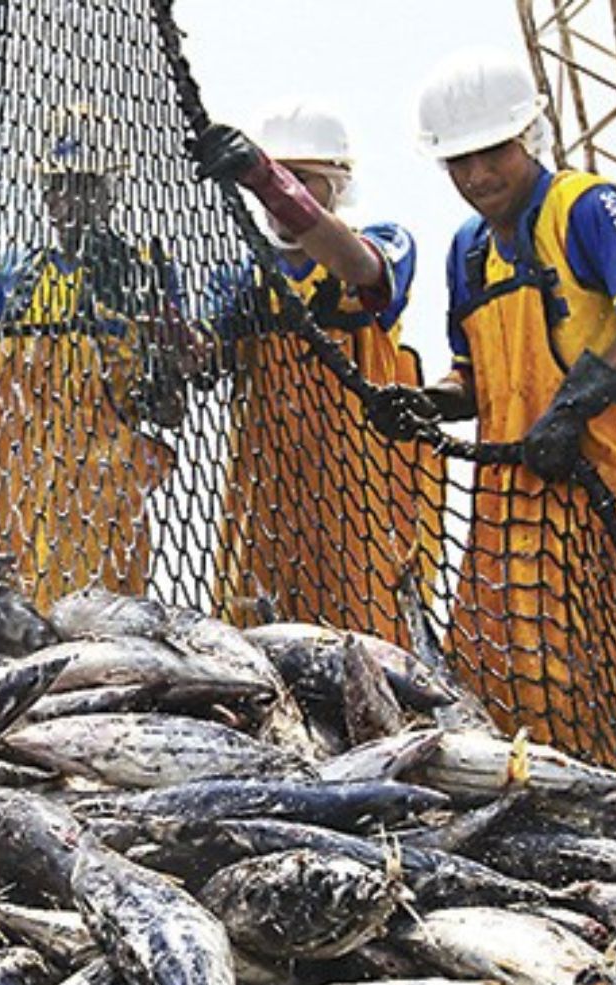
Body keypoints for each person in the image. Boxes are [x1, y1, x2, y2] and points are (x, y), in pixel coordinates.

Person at [374, 49, 616, 752]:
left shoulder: (586, 207)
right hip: (514, 504)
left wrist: (578, 402)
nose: (478, 176)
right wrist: (428, 404)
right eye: (458, 162)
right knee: (494, 679)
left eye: (492, 152)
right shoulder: (468, 250)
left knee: (596, 682)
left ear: (530, 137)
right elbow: (475, 377)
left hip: (610, 499)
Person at [194, 100, 442, 637]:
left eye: (300, 179)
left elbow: (360, 267)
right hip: (267, 504)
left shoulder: (384, 242)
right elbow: (196, 361)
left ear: (337, 183)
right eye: (281, 179)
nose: (278, 198)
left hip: (366, 501)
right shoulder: (243, 276)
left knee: (371, 640)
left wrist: (267, 181)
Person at [0, 103, 200, 609]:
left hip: (101, 504)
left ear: (108, 192)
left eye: (83, 186)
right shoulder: (11, 275)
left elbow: (171, 412)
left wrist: (162, 361)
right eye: (57, 186)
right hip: (11, 492)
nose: (68, 201)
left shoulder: (140, 274)